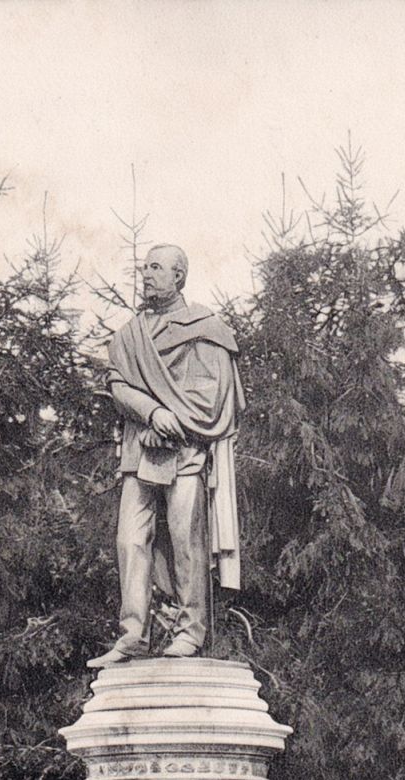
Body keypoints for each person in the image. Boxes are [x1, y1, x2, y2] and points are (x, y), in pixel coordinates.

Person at [89, 244, 245, 668]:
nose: (147, 274)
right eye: (144, 268)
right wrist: (152, 413)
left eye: (156, 267)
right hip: (140, 450)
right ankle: (132, 634)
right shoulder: (129, 335)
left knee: (185, 541)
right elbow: (118, 385)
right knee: (129, 540)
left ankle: (191, 631)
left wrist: (171, 425)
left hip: (186, 450)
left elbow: (212, 397)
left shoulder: (205, 328)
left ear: (180, 276)